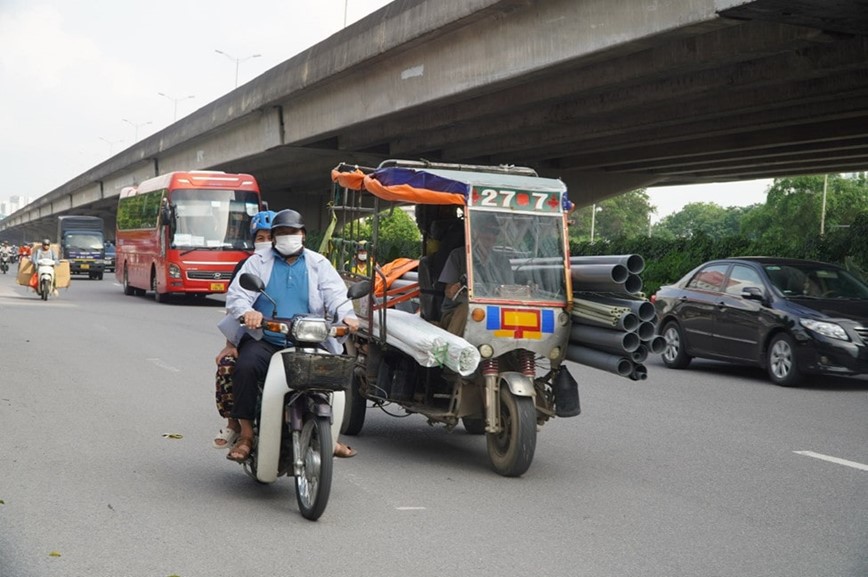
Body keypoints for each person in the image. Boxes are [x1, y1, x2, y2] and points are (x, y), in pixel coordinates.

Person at [223, 209, 361, 462]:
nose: (288, 237)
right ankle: (245, 435)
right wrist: (248, 312)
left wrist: (347, 317)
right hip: (267, 338)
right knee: (245, 368)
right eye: (282, 233)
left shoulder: (319, 263)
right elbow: (237, 296)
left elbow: (337, 295)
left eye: (293, 232)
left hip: (309, 338)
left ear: (303, 235)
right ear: (274, 237)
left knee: (333, 374)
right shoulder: (257, 261)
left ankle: (329, 433)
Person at [212, 210, 275, 449]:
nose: (266, 241)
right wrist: (231, 344)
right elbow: (234, 306)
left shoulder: (305, 263)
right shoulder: (248, 265)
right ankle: (235, 425)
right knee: (229, 366)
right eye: (261, 237)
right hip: (253, 335)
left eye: (271, 235)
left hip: (293, 335)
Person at [437, 214, 514, 336]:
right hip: (457, 311)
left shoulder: (502, 261)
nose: (490, 236)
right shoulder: (458, 256)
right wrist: (456, 288)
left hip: (494, 311)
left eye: (495, 232)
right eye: (485, 230)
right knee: (468, 309)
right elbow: (449, 292)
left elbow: (510, 291)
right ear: (474, 232)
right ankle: (455, 351)